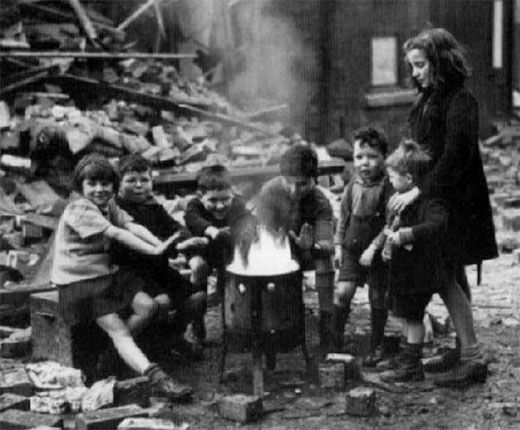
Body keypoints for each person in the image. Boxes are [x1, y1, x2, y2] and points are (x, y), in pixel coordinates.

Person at [390, 28, 498, 386]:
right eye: (413, 67)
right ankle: (461, 346)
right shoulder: (428, 97)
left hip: (454, 203)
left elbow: (455, 156)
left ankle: (471, 357)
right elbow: (422, 148)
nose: (415, 73)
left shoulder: (460, 100)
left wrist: (418, 191)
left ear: (440, 63)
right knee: (452, 273)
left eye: (421, 65)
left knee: (446, 276)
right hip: (434, 196)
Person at [51, 153, 193, 400]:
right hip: (80, 282)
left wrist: (159, 244)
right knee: (119, 331)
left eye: (105, 184)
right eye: (92, 184)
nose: (99, 189)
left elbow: (131, 226)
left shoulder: (109, 205)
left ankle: (112, 356)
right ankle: (158, 378)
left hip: (104, 272)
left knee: (148, 307)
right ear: (80, 187)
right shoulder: (78, 208)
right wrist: (153, 250)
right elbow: (116, 233)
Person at [110, 154, 209, 359]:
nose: (139, 186)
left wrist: (190, 252)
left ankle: (172, 338)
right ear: (119, 183)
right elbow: (128, 249)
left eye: (144, 180)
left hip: (157, 269)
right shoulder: (115, 209)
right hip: (130, 272)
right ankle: (140, 349)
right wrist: (171, 252)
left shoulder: (151, 204)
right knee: (162, 302)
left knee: (197, 298)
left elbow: (175, 228)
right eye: (131, 180)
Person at [379, 140, 449, 382]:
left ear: (409, 178)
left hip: (419, 273)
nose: (389, 181)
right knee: (405, 315)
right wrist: (389, 241)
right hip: (403, 272)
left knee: (414, 317)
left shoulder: (429, 201)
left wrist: (406, 235)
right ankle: (408, 357)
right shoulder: (401, 196)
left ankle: (412, 365)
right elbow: (394, 225)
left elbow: (437, 224)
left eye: (392, 176)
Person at [254, 144, 335, 348]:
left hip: (307, 251)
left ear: (314, 179)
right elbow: (261, 231)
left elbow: (328, 244)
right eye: (288, 182)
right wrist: (275, 241)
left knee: (326, 262)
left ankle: (327, 327)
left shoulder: (320, 201)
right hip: (276, 251)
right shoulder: (269, 191)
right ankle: (271, 325)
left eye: (301, 184)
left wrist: (312, 247)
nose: (294, 190)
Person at [333, 127, 393, 364]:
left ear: (383, 158)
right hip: (351, 247)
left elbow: (391, 223)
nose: (364, 163)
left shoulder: (387, 186)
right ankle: (335, 340)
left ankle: (376, 345)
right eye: (359, 157)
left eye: (372, 157)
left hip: (375, 253)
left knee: (377, 297)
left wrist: (375, 248)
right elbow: (343, 217)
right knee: (343, 292)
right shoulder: (352, 184)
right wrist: (338, 246)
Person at [184, 164, 254, 312]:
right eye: (213, 201)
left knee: (229, 274)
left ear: (232, 194)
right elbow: (192, 219)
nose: (220, 206)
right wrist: (211, 230)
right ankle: (197, 314)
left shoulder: (238, 204)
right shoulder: (194, 205)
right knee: (199, 267)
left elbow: (247, 220)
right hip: (201, 247)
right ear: (200, 196)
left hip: (225, 248)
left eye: (225, 199)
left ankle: (226, 310)